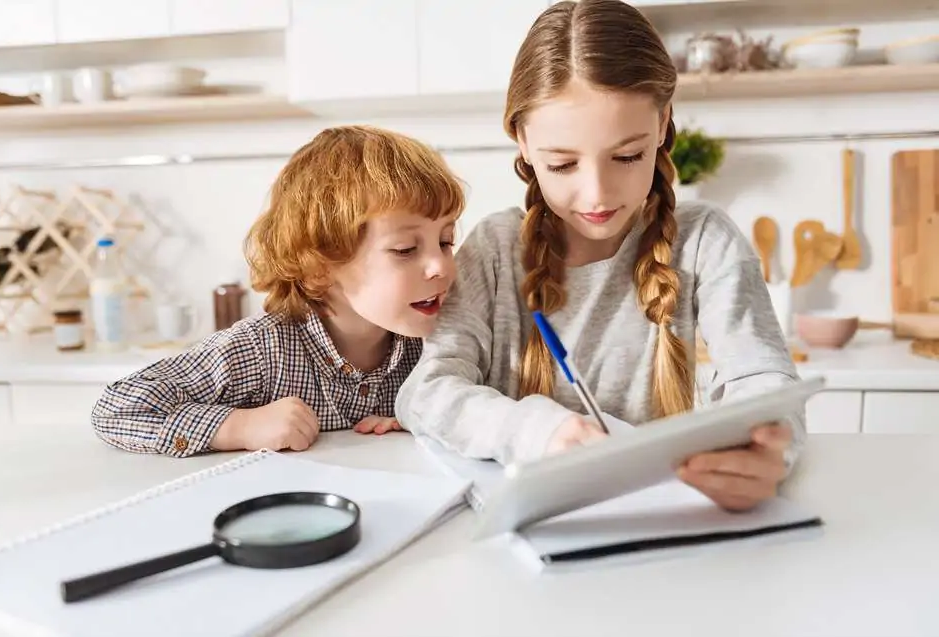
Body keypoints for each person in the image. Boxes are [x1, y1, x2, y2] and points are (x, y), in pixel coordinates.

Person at [395, 0, 802, 512]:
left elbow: (765, 382)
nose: (597, 196)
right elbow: (426, 393)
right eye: (563, 164)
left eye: (627, 157)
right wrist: (535, 430)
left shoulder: (704, 241)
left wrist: (766, 450)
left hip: (673, 528)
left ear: (662, 124)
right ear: (522, 141)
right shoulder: (496, 250)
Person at [91, 125, 464, 458]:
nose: (442, 266)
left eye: (446, 242)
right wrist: (238, 427)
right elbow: (116, 408)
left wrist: (428, 417)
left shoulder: (438, 344)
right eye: (405, 250)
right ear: (320, 267)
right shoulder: (259, 351)